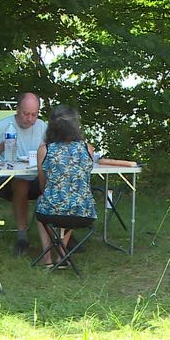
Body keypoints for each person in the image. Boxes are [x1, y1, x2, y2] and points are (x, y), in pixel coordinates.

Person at [0, 92, 47, 255]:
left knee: (56, 182)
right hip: (6, 181)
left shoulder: (42, 126)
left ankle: (61, 234)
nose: (29, 119)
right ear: (17, 110)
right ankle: (22, 237)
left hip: (36, 177)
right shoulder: (4, 126)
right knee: (21, 183)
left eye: (34, 115)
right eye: (25, 114)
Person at [34, 105, 97, 268]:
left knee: (44, 200)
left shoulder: (45, 150)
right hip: (84, 213)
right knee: (72, 202)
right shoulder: (87, 148)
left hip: (52, 212)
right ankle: (62, 255)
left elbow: (43, 186)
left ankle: (47, 257)